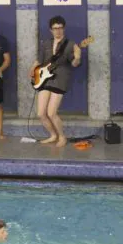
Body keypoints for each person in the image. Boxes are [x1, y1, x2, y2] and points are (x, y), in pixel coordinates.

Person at [30, 16, 82, 148]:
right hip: (45, 79)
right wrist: (33, 69)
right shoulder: (46, 43)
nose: (58, 31)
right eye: (55, 28)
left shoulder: (71, 45)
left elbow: (74, 64)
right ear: (50, 30)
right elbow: (39, 60)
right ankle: (53, 135)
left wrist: (77, 57)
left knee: (51, 113)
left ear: (64, 28)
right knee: (41, 113)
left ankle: (62, 137)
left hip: (60, 79)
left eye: (60, 28)